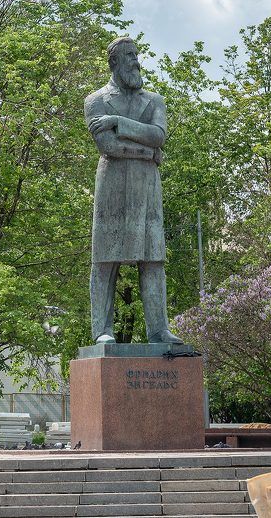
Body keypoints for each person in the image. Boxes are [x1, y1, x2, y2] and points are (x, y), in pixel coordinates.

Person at [84, 36, 182, 345]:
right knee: (104, 260)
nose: (135, 61)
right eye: (128, 55)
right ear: (113, 62)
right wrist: (147, 152)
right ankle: (102, 330)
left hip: (147, 190)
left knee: (153, 259)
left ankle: (159, 330)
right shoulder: (95, 100)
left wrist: (117, 121)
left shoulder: (154, 101)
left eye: (136, 55)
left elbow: (159, 136)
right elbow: (108, 146)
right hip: (111, 187)